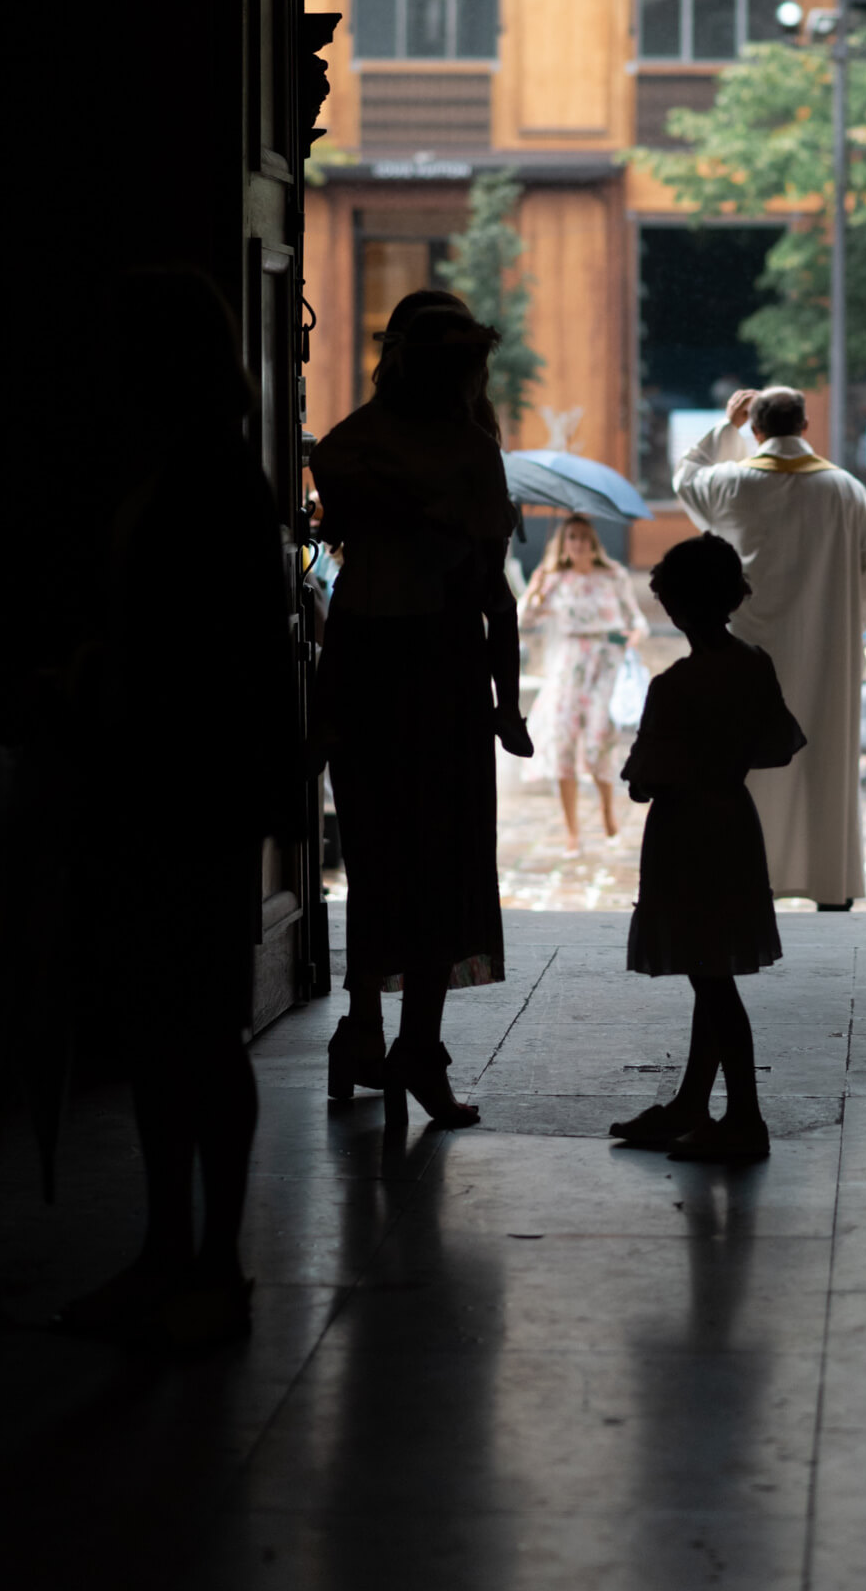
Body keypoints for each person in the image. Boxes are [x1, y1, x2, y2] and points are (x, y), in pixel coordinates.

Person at [59, 270, 296, 1348]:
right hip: (176, 772)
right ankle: (184, 1251)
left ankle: (200, 1253)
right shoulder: (203, 472)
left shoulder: (203, 482)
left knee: (189, 1024)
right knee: (178, 1024)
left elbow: (212, 652)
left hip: (182, 778)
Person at [311, 304, 530, 1129]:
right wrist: (507, 701)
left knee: (379, 862)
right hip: (438, 668)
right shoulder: (472, 453)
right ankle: (415, 1044)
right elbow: (491, 595)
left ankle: (368, 1031)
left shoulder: (347, 447)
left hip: (370, 662)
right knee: (440, 860)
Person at [608, 534, 805, 1161]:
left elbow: (643, 782)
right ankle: (695, 1102)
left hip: (686, 833)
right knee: (711, 968)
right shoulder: (755, 662)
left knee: (712, 980)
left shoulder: (675, 685)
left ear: (676, 605)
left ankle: (744, 1116)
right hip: (733, 821)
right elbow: (777, 745)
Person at [673, 386, 866, 910]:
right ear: (806, 425)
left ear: (755, 429)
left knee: (749, 767)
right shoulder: (843, 489)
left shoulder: (731, 483)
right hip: (825, 655)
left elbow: (686, 477)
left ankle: (745, 881)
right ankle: (828, 887)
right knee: (821, 764)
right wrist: (848, 621)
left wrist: (724, 427)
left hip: (748, 652)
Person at [519, 514, 648, 851]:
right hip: (568, 665)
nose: (576, 543)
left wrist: (632, 637)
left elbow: (637, 620)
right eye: (570, 537)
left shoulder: (613, 576)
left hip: (605, 663)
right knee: (562, 741)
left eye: (582, 536)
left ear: (592, 542)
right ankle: (571, 830)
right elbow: (524, 620)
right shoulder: (553, 579)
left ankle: (608, 814)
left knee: (597, 742)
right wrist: (533, 591)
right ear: (563, 543)